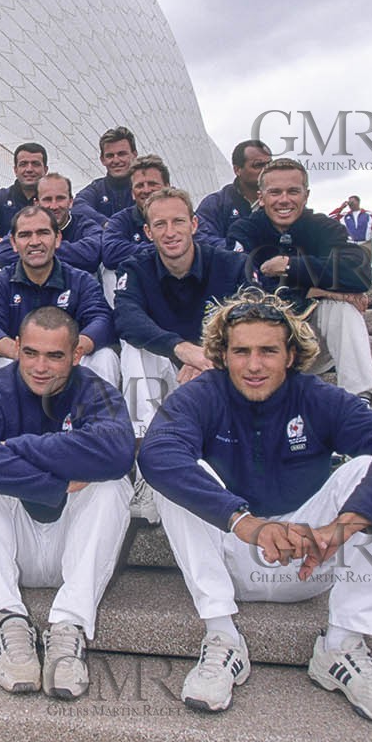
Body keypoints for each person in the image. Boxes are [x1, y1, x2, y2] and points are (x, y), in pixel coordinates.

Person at [139, 292, 372, 724]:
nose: (254, 365)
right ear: (223, 355)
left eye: (268, 351)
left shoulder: (317, 396)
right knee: (179, 471)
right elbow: (157, 454)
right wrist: (246, 523)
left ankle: (342, 646)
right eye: (242, 352)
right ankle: (222, 636)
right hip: (231, 558)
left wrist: (341, 528)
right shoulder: (202, 394)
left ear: (290, 355)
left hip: (309, 556)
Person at [0, 308, 134, 697]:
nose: (40, 367)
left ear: (76, 355)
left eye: (54, 356)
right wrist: (54, 485)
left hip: (72, 546)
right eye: (30, 353)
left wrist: (12, 447)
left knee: (111, 486)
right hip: (17, 547)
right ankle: (10, 621)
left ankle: (69, 627)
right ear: (16, 347)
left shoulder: (95, 390)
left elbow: (117, 452)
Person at [115, 188, 247, 521]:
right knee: (133, 348)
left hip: (218, 370)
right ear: (148, 232)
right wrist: (181, 349)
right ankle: (146, 467)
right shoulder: (136, 267)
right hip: (170, 370)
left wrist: (209, 358)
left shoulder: (230, 265)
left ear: (194, 224)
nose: (170, 232)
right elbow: (127, 319)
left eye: (178, 222)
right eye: (160, 224)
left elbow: (253, 321)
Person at [233, 158, 372, 404]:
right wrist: (320, 290)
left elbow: (358, 273)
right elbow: (242, 282)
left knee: (342, 309)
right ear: (261, 197)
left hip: (310, 343)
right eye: (275, 192)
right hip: (258, 344)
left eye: (293, 191)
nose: (284, 200)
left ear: (306, 195)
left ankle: (360, 402)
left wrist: (290, 266)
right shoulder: (245, 230)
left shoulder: (324, 228)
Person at [0, 205, 118, 387]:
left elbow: (102, 320)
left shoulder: (81, 281)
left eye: (43, 233)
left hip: (67, 366)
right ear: (13, 243)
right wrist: (19, 352)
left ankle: (99, 408)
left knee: (104, 356)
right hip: (18, 365)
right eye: (25, 235)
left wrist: (69, 350)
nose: (34, 242)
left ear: (57, 239)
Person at [100, 155, 172, 273]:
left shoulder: (184, 215)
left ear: (167, 187)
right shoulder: (120, 220)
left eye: (152, 184)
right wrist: (164, 248)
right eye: (139, 186)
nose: (146, 190)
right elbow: (110, 254)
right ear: (132, 193)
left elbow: (201, 243)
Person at [195, 139, 272, 246]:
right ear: (237, 170)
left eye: (270, 165)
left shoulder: (283, 201)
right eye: (258, 165)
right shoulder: (216, 204)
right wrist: (238, 247)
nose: (266, 170)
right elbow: (201, 238)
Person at [0, 143, 49, 237]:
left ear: (45, 170)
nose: (29, 169)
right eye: (23, 164)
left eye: (35, 164)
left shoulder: (55, 200)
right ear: (15, 170)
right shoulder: (2, 197)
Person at [73, 127, 138, 224]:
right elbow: (77, 205)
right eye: (110, 156)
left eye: (122, 154)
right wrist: (106, 224)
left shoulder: (145, 188)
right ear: (102, 159)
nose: (116, 160)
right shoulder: (97, 189)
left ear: (134, 155)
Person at [330, 196, 372, 265]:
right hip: (350, 245)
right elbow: (330, 217)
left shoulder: (369, 215)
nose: (351, 204)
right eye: (349, 202)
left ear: (358, 202)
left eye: (352, 202)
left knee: (365, 264)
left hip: (365, 244)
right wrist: (341, 207)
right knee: (350, 265)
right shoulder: (344, 215)